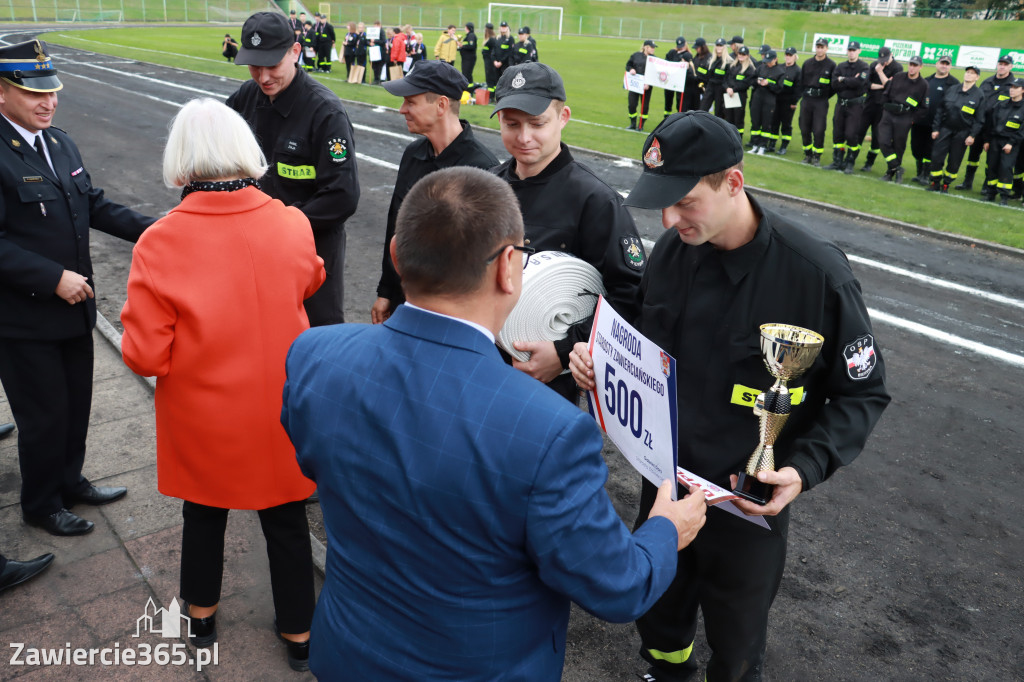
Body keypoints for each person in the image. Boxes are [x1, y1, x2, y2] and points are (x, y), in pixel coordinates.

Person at [282, 165, 707, 681]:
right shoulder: (548, 430)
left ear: (396, 254)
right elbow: (618, 587)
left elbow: (317, 460)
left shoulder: (314, 355)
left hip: (348, 653)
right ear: (509, 267)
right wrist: (666, 530)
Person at [570, 110, 891, 682]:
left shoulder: (814, 275)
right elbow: (644, 338)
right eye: (661, 203)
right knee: (660, 619)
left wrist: (803, 467)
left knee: (737, 643)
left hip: (745, 507)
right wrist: (599, 360)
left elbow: (861, 393)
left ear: (733, 182)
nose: (669, 219)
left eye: (684, 201)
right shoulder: (671, 254)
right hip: (665, 485)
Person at [120, 98, 324, 671]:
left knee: (203, 514)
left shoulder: (160, 241)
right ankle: (299, 633)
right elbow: (311, 277)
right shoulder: (291, 221)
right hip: (281, 406)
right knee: (286, 520)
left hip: (204, 410)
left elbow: (144, 353)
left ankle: (202, 614)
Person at [0, 40, 154, 537]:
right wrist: (51, 278)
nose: (48, 102)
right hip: (24, 317)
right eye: (33, 94)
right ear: (2, 93)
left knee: (75, 404)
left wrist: (161, 229)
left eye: (52, 92)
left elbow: (94, 204)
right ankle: (41, 505)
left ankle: (70, 482)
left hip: (74, 309)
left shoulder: (59, 142)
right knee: (43, 416)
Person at [490, 62, 648, 402]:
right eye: (511, 124)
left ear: (563, 118)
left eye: (537, 123)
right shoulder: (487, 186)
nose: (524, 137)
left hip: (545, 385)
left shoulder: (595, 200)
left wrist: (563, 351)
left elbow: (630, 295)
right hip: (482, 364)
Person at [227, 11, 360, 327]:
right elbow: (215, 156)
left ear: (295, 52)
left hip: (309, 252)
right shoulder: (245, 99)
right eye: (254, 67)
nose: (263, 77)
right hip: (253, 249)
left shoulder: (324, 112)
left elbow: (342, 195)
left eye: (272, 65)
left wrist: (281, 226)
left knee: (315, 337)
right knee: (257, 331)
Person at [371, 61, 499, 323]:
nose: (402, 109)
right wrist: (386, 291)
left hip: (451, 312)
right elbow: (396, 227)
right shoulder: (413, 154)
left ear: (441, 105)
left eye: (411, 102)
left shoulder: (482, 168)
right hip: (404, 302)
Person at [958, 55, 1015, 191]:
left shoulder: (1013, 85)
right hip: (980, 125)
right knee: (973, 155)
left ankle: (987, 185)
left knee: (992, 158)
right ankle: (967, 181)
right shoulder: (987, 81)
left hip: (997, 128)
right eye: (1000, 63)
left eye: (1005, 64)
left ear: (1011, 67)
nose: (1002, 66)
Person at [928, 65, 985, 193]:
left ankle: (946, 184)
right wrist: (936, 128)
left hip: (962, 133)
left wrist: (972, 135)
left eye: (972, 73)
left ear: (977, 77)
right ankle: (935, 182)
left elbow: (979, 119)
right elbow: (940, 109)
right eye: (968, 72)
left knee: (954, 161)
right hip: (945, 129)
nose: (969, 75)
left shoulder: (979, 95)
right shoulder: (953, 89)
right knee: (936, 156)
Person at [877, 55, 928, 183]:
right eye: (911, 64)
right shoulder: (899, 76)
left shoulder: (924, 85)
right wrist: (884, 105)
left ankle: (890, 173)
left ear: (920, 67)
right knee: (883, 141)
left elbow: (924, 107)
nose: (912, 67)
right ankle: (897, 168)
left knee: (898, 146)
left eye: (915, 65)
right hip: (889, 113)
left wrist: (912, 119)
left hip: (905, 117)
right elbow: (886, 91)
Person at [910, 55, 958, 184]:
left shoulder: (954, 84)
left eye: (947, 64)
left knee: (930, 150)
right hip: (920, 121)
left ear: (950, 66)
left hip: (937, 124)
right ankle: (919, 172)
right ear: (936, 64)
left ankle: (926, 175)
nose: (944, 66)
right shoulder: (927, 80)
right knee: (916, 148)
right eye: (942, 63)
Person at [826, 41, 870, 172]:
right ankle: (837, 161)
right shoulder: (841, 66)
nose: (851, 52)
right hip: (841, 104)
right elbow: (834, 84)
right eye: (850, 50)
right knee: (837, 134)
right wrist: (849, 80)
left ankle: (849, 162)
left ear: (859, 51)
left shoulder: (864, 67)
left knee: (851, 134)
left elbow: (860, 83)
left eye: (854, 50)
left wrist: (843, 79)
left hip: (855, 106)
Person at [979, 78, 1023, 206]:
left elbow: (1022, 130)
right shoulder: (1001, 104)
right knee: (991, 166)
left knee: (1006, 167)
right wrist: (987, 140)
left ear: (1022, 90)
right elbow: (990, 123)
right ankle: (990, 193)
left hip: (1010, 143)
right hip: (995, 140)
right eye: (1011, 87)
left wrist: (1011, 142)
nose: (1012, 90)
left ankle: (1004, 195)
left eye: (1016, 88)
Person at [858, 46, 902, 172]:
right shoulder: (873, 65)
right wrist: (883, 85)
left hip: (884, 108)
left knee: (877, 137)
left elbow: (892, 88)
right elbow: (866, 85)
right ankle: (850, 159)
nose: (884, 62)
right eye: (881, 59)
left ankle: (869, 163)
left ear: (891, 55)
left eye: (886, 59)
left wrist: (880, 73)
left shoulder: (897, 68)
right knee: (859, 131)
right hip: (869, 104)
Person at [798, 37, 835, 166]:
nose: (819, 49)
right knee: (804, 128)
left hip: (821, 101)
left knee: (819, 129)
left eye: (822, 47)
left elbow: (833, 86)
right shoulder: (807, 63)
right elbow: (801, 82)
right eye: (818, 47)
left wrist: (823, 96)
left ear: (826, 48)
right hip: (807, 99)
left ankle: (817, 156)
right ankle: (807, 154)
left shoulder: (831, 65)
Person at [747, 49, 784, 155]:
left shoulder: (780, 72)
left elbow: (779, 88)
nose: (767, 63)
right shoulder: (761, 67)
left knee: (766, 123)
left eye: (770, 60)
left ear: (775, 59)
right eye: (766, 60)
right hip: (757, 98)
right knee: (755, 122)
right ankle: (755, 144)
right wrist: (757, 82)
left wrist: (769, 84)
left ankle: (763, 146)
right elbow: (751, 80)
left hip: (769, 100)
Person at [770, 46, 801, 155]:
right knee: (774, 122)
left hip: (788, 102)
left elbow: (798, 88)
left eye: (790, 55)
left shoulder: (797, 71)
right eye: (786, 55)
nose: (788, 57)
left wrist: (794, 102)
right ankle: (772, 143)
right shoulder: (780, 67)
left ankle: (784, 145)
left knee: (786, 124)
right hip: (776, 99)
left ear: (795, 57)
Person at [723, 45, 756, 138]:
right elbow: (725, 79)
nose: (741, 56)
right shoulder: (732, 66)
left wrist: (734, 89)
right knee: (728, 117)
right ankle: (728, 137)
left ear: (747, 56)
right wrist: (727, 88)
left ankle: (738, 137)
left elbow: (746, 83)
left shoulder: (749, 68)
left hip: (739, 96)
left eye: (743, 54)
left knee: (738, 118)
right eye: (740, 54)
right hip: (729, 94)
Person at [626, 40, 657, 131]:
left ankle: (641, 125)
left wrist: (649, 83)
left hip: (646, 87)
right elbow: (628, 65)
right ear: (645, 47)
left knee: (645, 106)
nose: (653, 49)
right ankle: (633, 123)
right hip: (635, 85)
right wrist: (631, 69)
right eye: (652, 47)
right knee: (632, 104)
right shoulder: (635, 55)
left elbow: (656, 74)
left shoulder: (654, 59)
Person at [700, 38, 732, 117]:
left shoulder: (729, 61)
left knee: (719, 112)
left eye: (721, 46)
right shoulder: (711, 60)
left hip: (721, 88)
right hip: (710, 86)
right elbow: (708, 75)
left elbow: (728, 78)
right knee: (702, 109)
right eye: (717, 45)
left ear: (724, 47)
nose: (719, 47)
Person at [662, 37, 694, 118]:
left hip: (681, 82)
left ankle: (678, 117)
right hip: (670, 80)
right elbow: (666, 62)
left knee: (679, 101)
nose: (681, 47)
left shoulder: (687, 54)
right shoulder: (672, 52)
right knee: (668, 100)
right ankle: (666, 117)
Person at [481, 22, 498, 95]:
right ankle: (491, 94)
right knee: (489, 78)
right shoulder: (488, 39)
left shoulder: (492, 39)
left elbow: (494, 51)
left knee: (490, 78)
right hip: (487, 61)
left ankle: (491, 95)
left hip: (490, 62)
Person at [368, 20, 386, 85]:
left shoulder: (382, 31)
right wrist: (369, 43)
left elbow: (383, 41)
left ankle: (378, 79)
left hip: (379, 51)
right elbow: (367, 40)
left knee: (378, 66)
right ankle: (375, 78)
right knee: (373, 65)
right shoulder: (371, 32)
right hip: (372, 51)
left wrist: (375, 41)